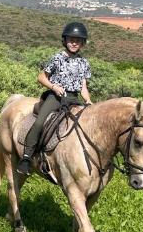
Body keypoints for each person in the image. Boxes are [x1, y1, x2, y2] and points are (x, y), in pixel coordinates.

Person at [16, 21, 93, 175]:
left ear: (82, 43)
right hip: (55, 97)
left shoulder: (84, 63)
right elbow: (41, 77)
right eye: (71, 40)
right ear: (65, 40)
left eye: (77, 41)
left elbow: (83, 87)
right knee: (40, 122)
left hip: (74, 98)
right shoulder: (57, 58)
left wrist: (89, 101)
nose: (74, 43)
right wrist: (54, 87)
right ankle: (26, 157)